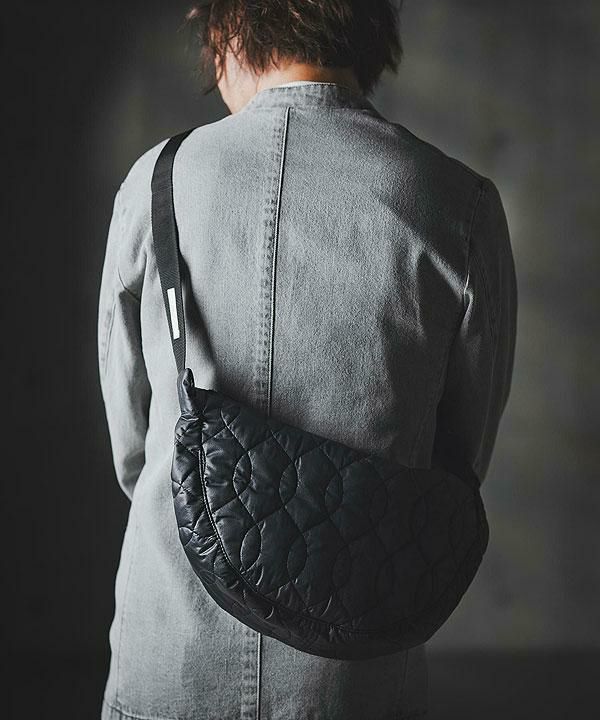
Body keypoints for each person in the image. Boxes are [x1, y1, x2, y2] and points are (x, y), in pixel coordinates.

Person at [97, 1, 517, 718]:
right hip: (355, 671)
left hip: (169, 650)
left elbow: (133, 450)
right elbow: (460, 459)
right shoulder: (458, 203)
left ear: (230, 29)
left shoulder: (156, 181)